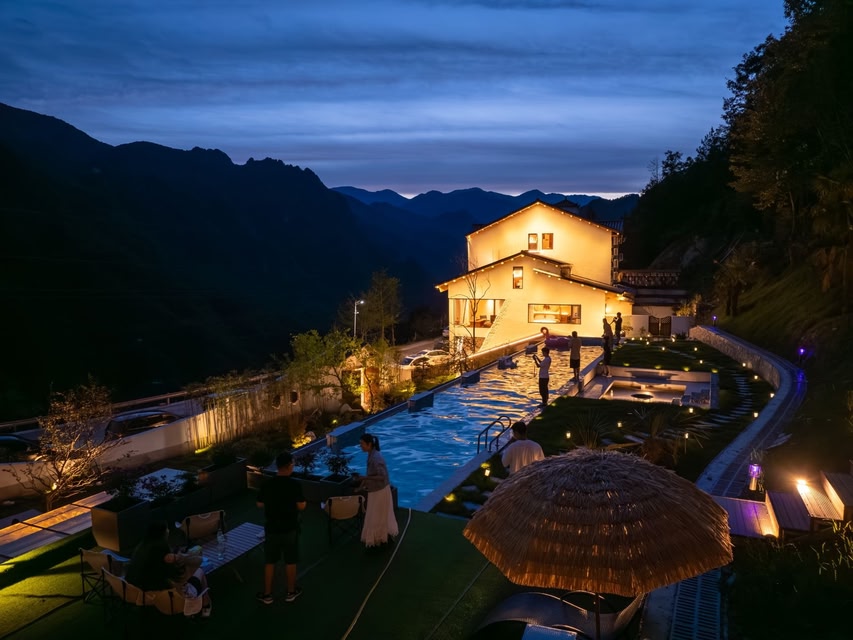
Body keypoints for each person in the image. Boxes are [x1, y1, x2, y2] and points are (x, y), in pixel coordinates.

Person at [125, 520, 212, 617]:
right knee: (200, 572)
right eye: (167, 529)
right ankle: (205, 606)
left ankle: (204, 605)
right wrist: (184, 559)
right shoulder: (163, 552)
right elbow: (179, 575)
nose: (169, 531)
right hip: (167, 599)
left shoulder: (141, 548)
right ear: (162, 533)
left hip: (140, 594)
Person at [256, 451, 306, 604]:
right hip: (290, 527)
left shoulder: (267, 484)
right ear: (289, 466)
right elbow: (301, 506)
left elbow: (259, 504)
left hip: (272, 528)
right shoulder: (294, 485)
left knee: (270, 561)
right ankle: (291, 592)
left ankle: (267, 594)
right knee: (290, 560)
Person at [354, 433, 399, 550]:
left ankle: (379, 538)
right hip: (375, 490)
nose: (360, 446)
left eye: (362, 444)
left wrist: (364, 478)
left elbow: (382, 476)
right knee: (377, 515)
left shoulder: (376, 458)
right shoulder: (371, 455)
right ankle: (380, 537)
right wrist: (361, 486)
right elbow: (371, 474)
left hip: (380, 492)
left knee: (376, 516)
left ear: (369, 444)